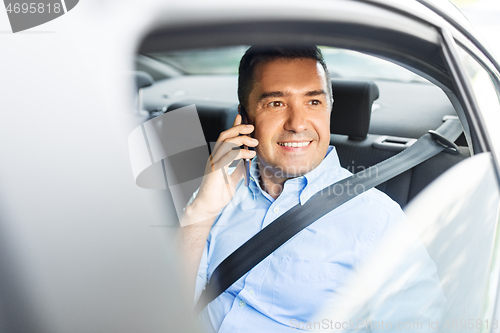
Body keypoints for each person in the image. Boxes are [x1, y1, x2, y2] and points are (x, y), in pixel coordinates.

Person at [177, 46, 445, 332]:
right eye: (276, 104)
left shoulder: (377, 220)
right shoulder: (217, 193)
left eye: (313, 102)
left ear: (329, 109)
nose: (297, 123)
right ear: (244, 119)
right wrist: (201, 211)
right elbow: (170, 302)